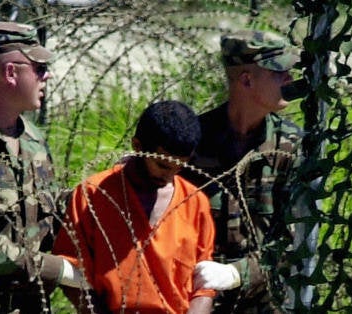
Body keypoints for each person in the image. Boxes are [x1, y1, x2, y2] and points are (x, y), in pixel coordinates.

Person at [185, 30, 319, 313]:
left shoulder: (291, 146)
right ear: (246, 79)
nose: (289, 80)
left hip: (263, 300)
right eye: (278, 72)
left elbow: (295, 238)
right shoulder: (192, 140)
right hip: (196, 294)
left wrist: (236, 274)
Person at [53, 100, 216, 313]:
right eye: (162, 165)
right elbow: (71, 271)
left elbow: (204, 285)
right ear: (138, 147)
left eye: (179, 167)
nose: (169, 176)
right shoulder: (93, 195)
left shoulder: (194, 202)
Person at [0, 21, 82, 313]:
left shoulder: (32, 138)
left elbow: (50, 211)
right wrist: (58, 270)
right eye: (40, 69)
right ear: (10, 73)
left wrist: (97, 193)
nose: (48, 76)